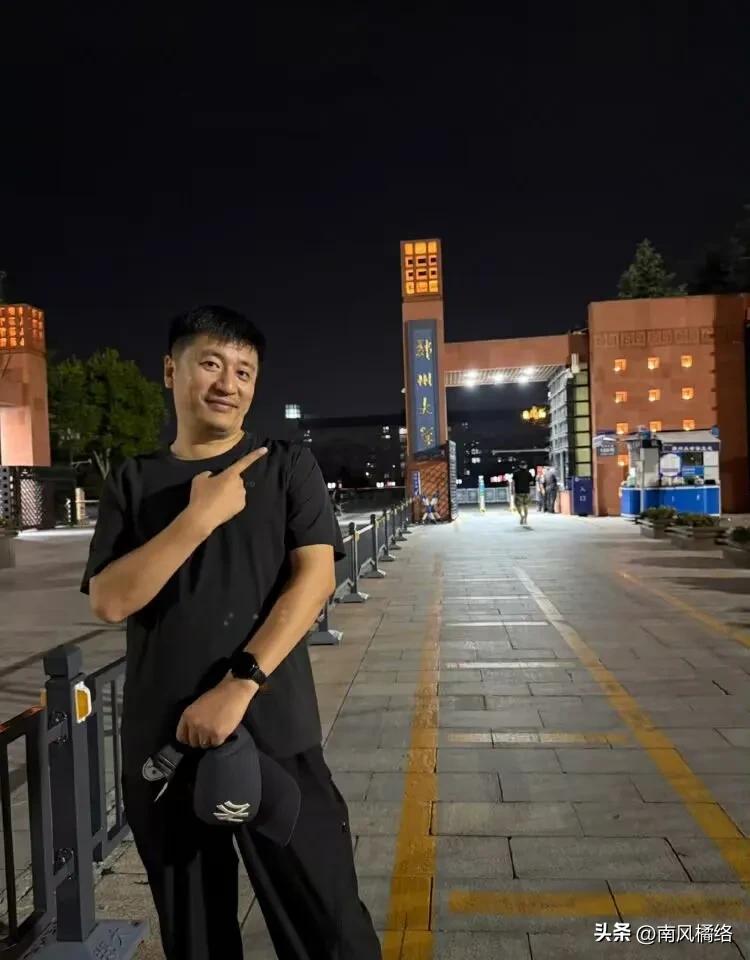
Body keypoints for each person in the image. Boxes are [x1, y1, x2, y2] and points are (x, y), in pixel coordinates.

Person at [81, 306, 381, 960]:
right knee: (196, 937)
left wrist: (239, 685)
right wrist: (197, 519)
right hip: (165, 750)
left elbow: (316, 580)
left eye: (244, 370)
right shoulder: (133, 480)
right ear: (172, 371)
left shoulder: (285, 466)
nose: (228, 383)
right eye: (211, 364)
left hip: (277, 734)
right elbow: (109, 599)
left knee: (329, 924)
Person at [511, 461, 532, 526]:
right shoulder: (528, 473)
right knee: (526, 505)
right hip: (526, 492)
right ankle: (525, 519)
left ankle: (521, 516)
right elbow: (531, 482)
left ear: (520, 466)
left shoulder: (515, 473)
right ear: (526, 466)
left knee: (518, 505)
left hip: (518, 492)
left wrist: (512, 490)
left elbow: (513, 482)